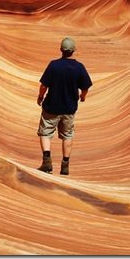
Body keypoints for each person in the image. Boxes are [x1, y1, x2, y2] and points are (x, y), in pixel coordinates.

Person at [36, 37, 92, 175]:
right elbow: (85, 86)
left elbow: (44, 85)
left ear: (61, 49)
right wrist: (83, 97)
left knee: (45, 133)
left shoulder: (53, 65)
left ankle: (47, 162)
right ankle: (65, 165)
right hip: (69, 108)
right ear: (74, 51)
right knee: (67, 135)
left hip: (51, 107)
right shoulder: (79, 67)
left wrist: (40, 96)